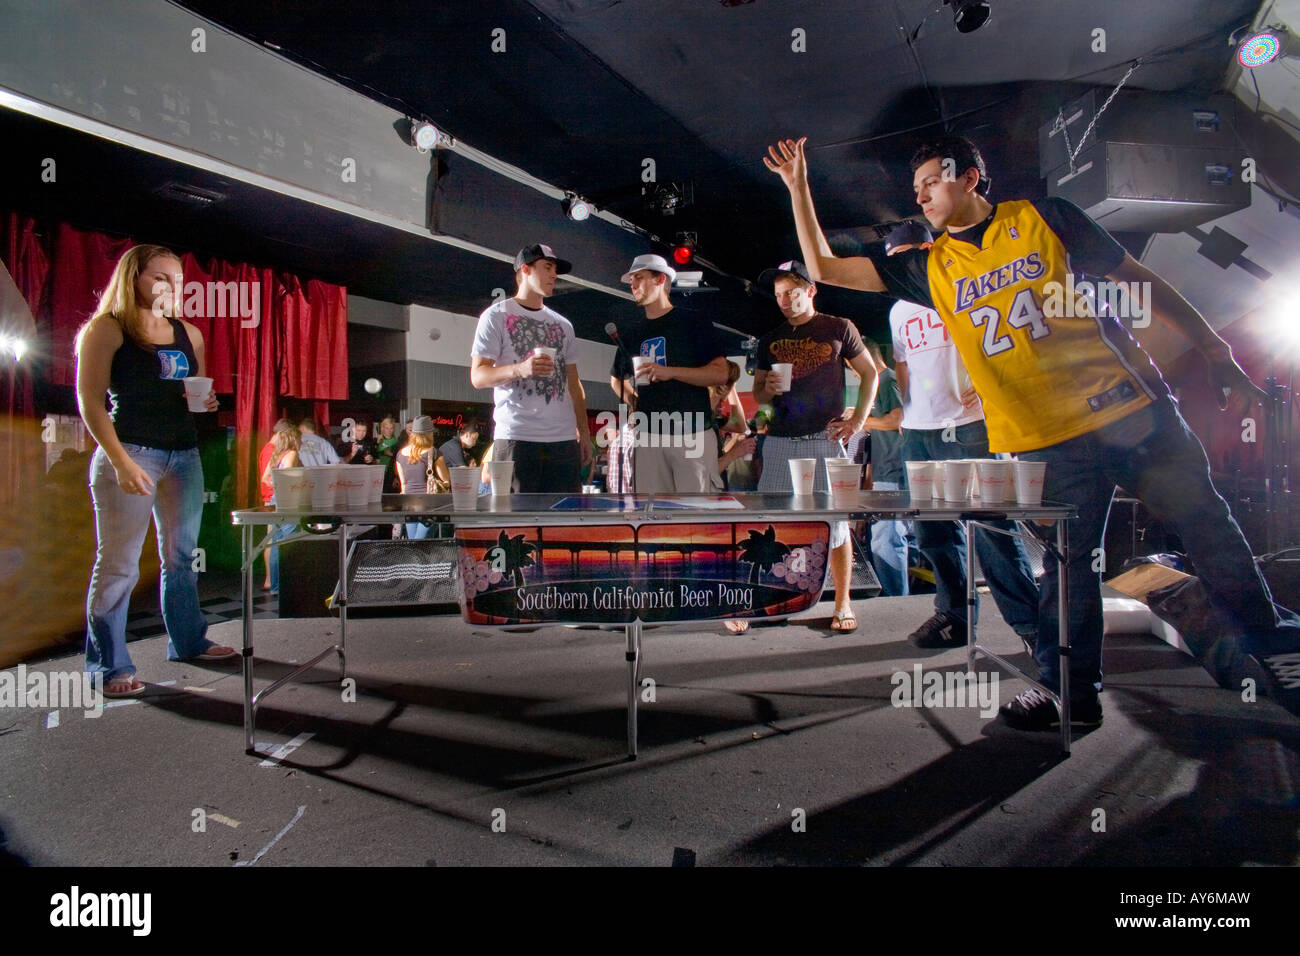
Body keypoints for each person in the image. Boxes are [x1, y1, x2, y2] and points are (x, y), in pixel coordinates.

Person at [764, 132, 1300, 726]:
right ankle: (1072, 693)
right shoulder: (929, 267)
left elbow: (1133, 277)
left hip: (1131, 411)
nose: (921, 198)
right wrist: (798, 185)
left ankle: (1272, 647)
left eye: (931, 183)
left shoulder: (1046, 218)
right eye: (914, 191)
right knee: (1070, 569)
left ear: (969, 177)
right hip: (1050, 441)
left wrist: (1213, 345)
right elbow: (822, 267)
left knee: (1207, 523)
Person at [73, 244, 236, 698]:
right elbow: (89, 401)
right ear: (134, 278)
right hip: (130, 450)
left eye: (177, 279)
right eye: (160, 277)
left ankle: (188, 641)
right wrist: (121, 461)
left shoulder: (189, 333)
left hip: (183, 454)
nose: (171, 287)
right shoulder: (107, 328)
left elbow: (194, 395)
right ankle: (108, 666)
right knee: (120, 565)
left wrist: (205, 403)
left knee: (181, 558)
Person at [883, 220, 1040, 653]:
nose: (904, 265)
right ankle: (955, 616)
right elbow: (903, 363)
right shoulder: (899, 309)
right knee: (933, 534)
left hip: (972, 426)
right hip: (918, 432)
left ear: (930, 250)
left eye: (911, 254)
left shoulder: (965, 288)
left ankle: (1032, 627)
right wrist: (906, 409)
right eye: (896, 259)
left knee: (993, 531)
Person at [751, 259, 878, 633]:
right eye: (778, 295)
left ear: (810, 290)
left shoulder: (838, 327)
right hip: (779, 439)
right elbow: (759, 395)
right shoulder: (769, 339)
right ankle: (772, 600)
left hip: (825, 439)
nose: (785, 300)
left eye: (791, 292)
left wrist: (857, 422)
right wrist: (766, 390)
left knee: (836, 525)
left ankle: (842, 603)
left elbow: (870, 373)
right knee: (770, 521)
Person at [469, 244, 594, 493]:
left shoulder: (563, 325)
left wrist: (584, 433)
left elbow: (573, 383)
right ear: (525, 269)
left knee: (564, 523)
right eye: (547, 267)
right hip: (517, 437)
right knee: (518, 525)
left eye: (555, 269)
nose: (554, 275)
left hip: (563, 440)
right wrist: (520, 369)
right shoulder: (496, 316)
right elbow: (478, 376)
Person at [609, 253, 729, 493]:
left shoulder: (693, 322)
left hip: (692, 433)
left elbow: (721, 373)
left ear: (660, 279)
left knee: (695, 516)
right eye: (631, 280)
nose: (633, 285)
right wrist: (635, 402)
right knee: (653, 517)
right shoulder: (633, 333)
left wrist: (670, 372)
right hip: (648, 436)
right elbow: (616, 379)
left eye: (639, 278)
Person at [858, 338, 909, 597]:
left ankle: (895, 599)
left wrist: (860, 421)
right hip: (885, 473)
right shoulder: (879, 385)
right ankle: (895, 595)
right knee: (887, 539)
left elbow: (898, 418)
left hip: (895, 472)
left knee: (886, 541)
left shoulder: (888, 380)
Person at [258, 419, 301, 593]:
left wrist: (276, 487)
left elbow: (265, 479)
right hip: (288, 501)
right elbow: (288, 478)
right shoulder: (291, 454)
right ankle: (289, 585)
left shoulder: (277, 453)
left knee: (275, 543)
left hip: (277, 500)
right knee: (291, 542)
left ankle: (276, 586)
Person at [394, 416, 449, 538]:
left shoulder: (400, 454)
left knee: (414, 544)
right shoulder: (433, 452)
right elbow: (446, 480)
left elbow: (403, 485)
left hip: (409, 506)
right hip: (429, 507)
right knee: (421, 544)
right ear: (429, 434)